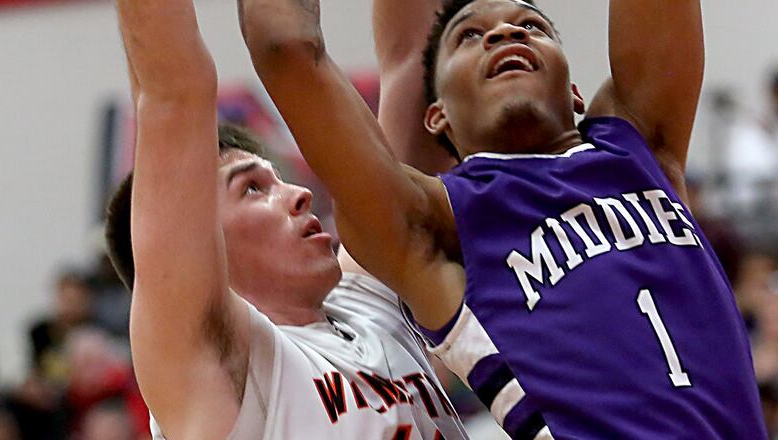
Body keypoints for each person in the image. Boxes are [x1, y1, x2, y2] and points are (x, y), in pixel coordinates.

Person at [239, 0, 766, 437]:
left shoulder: (639, 147)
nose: (505, 33)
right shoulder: (435, 224)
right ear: (437, 115)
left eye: (531, 26)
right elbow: (284, 47)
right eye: (469, 36)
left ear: (575, 92)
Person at [109, 0, 468, 437]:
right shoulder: (214, 367)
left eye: (279, 180)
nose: (300, 195)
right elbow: (172, 94)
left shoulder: (369, 300)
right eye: (252, 188)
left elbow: (414, 57)